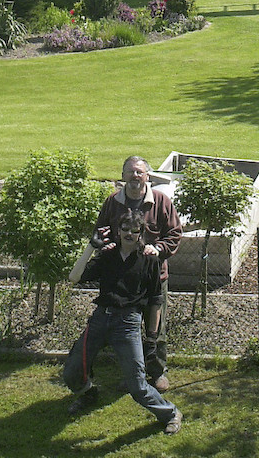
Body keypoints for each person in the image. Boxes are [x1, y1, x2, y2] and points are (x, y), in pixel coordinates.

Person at [63, 208, 183, 435]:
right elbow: (74, 277)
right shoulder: (107, 255)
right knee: (72, 371)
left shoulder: (149, 261)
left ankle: (171, 413)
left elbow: (156, 301)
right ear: (118, 231)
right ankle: (88, 393)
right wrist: (91, 246)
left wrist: (151, 338)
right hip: (100, 319)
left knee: (137, 385)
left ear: (141, 233)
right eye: (125, 229)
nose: (129, 234)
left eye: (134, 230)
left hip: (128, 323)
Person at [93, 155, 182, 392]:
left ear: (147, 176)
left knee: (156, 330)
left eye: (139, 172)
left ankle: (157, 372)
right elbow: (100, 233)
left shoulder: (161, 202)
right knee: (127, 330)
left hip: (154, 279)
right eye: (130, 172)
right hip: (123, 281)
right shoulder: (112, 203)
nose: (135, 176)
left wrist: (159, 248)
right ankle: (133, 373)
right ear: (123, 176)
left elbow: (174, 233)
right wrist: (106, 245)